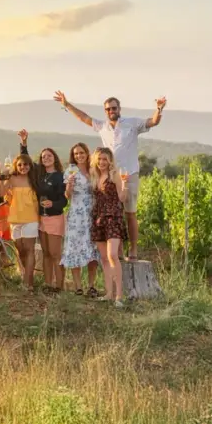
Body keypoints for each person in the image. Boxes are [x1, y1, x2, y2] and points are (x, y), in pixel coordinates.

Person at [53, 91, 167, 260]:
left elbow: (153, 121)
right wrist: (67, 104)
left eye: (113, 108)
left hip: (128, 174)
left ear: (119, 108)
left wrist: (158, 108)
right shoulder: (102, 126)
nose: (111, 111)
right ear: (105, 111)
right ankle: (118, 252)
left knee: (130, 213)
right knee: (114, 213)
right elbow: (84, 118)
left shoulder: (132, 123)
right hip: (108, 175)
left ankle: (133, 250)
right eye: (107, 109)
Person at [17, 130, 67, 293]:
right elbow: (25, 161)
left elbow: (64, 200)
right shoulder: (39, 174)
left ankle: (59, 285)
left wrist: (52, 203)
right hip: (41, 218)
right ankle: (48, 284)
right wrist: (24, 143)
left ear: (55, 158)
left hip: (55, 218)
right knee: (45, 253)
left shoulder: (60, 176)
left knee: (55, 253)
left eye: (49, 156)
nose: (46, 158)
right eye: (44, 156)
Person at [89, 147, 128, 308]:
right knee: (104, 258)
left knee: (112, 255)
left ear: (110, 160)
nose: (102, 162)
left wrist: (125, 185)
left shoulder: (115, 176)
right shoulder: (95, 177)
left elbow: (122, 199)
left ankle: (119, 295)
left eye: (105, 159)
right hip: (99, 219)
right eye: (99, 159)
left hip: (113, 217)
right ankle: (109, 293)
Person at [62, 142, 101, 297]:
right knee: (75, 247)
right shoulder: (71, 170)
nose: (79, 155)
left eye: (81, 153)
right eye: (76, 153)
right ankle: (78, 286)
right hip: (77, 215)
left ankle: (91, 286)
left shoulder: (94, 170)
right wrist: (69, 187)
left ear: (87, 153)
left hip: (92, 213)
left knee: (92, 249)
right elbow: (67, 196)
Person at [0, 152, 40, 290]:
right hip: (15, 219)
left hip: (31, 218)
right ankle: (26, 276)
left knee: (29, 249)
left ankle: (28, 283)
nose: (23, 167)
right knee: (20, 249)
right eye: (20, 164)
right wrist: (2, 178)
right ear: (16, 165)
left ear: (30, 166)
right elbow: (0, 193)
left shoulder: (34, 179)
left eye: (26, 164)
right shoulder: (12, 178)